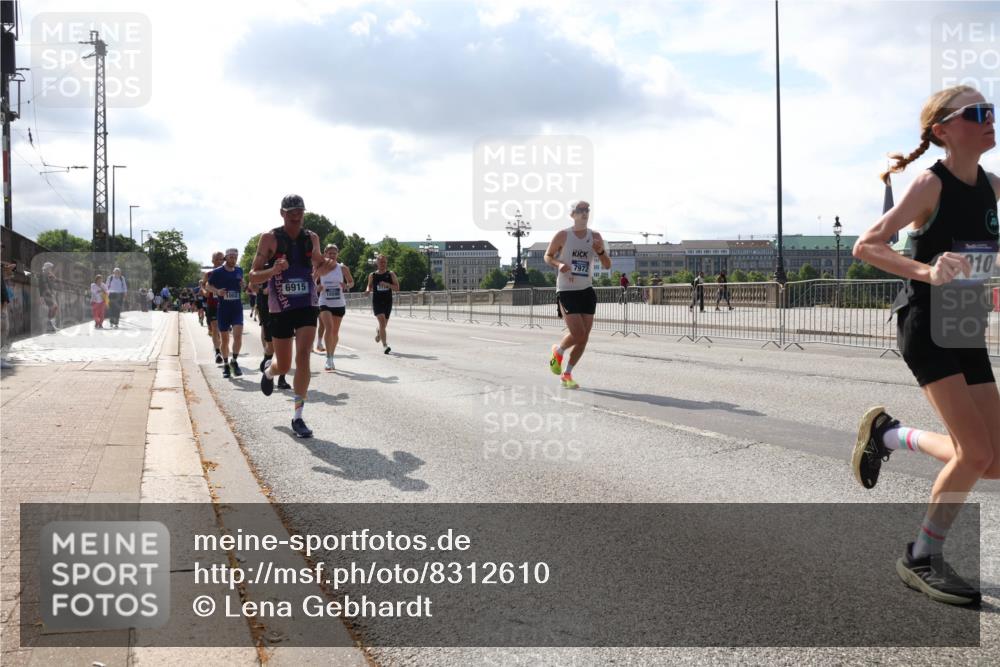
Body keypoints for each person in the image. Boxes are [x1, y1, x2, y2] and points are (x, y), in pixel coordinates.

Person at [851, 85, 998, 606]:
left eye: (991, 110)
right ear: (943, 130)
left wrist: (989, 284)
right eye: (977, 112)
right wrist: (928, 271)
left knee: (992, 460)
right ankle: (921, 556)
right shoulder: (929, 184)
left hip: (965, 324)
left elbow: (979, 256)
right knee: (975, 452)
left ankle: (890, 435)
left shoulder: (992, 185)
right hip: (926, 323)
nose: (990, 118)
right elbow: (866, 245)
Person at [250, 194, 331, 438]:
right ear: (282, 213)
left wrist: (326, 266)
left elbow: (320, 263)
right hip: (281, 306)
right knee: (284, 365)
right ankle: (269, 372)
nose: (296, 216)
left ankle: (298, 417)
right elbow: (253, 276)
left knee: (304, 355)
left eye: (300, 211)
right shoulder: (269, 238)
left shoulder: (311, 238)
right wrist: (273, 270)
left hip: (306, 303)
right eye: (291, 212)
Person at [544, 200, 611, 389]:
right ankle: (558, 351)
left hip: (586, 290)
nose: (585, 212)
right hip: (567, 290)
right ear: (572, 214)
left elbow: (607, 265)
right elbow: (547, 256)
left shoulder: (595, 236)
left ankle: (567, 374)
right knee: (578, 333)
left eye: (587, 210)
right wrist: (559, 264)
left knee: (584, 337)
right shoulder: (563, 235)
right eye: (580, 210)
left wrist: (600, 251)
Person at [315, 244, 355, 371]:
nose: (332, 255)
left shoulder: (342, 268)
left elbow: (351, 282)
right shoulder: (320, 267)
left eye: (334, 253)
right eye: (330, 253)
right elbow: (311, 281)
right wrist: (317, 288)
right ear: (325, 254)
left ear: (337, 254)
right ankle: (328, 358)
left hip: (338, 303)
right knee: (329, 327)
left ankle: (331, 356)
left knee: (334, 332)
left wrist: (346, 286)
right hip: (324, 302)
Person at [208, 248, 246, 378]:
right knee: (225, 339)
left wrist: (243, 285)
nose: (233, 259)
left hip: (237, 308)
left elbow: (243, 285)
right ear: (226, 257)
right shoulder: (218, 272)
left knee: (238, 336)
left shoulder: (239, 270)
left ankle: (234, 361)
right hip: (223, 309)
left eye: (235, 257)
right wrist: (217, 291)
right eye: (231, 257)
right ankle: (226, 365)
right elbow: (208, 286)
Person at [366, 254, 399, 354]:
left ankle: (379, 332)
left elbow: (397, 288)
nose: (383, 264)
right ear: (377, 263)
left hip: (388, 302)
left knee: (383, 325)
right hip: (377, 301)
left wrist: (387, 284)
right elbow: (369, 286)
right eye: (381, 262)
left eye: (384, 262)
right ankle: (385, 345)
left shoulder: (390, 274)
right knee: (382, 322)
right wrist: (367, 290)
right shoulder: (372, 275)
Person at [202, 252, 225, 364]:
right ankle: (217, 352)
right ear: (212, 261)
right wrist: (205, 291)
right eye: (217, 259)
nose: (219, 261)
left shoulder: (228, 272)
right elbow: (203, 285)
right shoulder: (209, 274)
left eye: (221, 259)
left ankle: (222, 347)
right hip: (212, 304)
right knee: (215, 327)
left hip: (226, 305)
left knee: (223, 329)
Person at [38, 261, 59, 332]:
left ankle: (51, 324)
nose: (51, 269)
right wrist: (50, 293)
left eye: (51, 268)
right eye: (50, 268)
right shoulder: (43, 274)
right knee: (53, 307)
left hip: (49, 294)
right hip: (46, 294)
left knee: (54, 307)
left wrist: (53, 278)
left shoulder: (48, 275)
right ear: (47, 268)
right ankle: (50, 325)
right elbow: (45, 285)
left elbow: (53, 282)